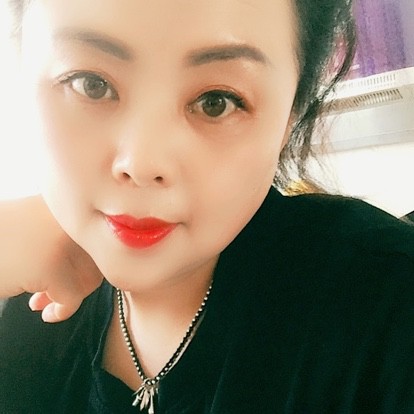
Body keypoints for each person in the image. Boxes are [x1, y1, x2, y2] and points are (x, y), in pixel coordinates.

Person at [1, 0, 414, 413]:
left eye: (216, 101)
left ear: (291, 117)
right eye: (91, 84)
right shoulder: (20, 296)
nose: (143, 164)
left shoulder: (386, 305)